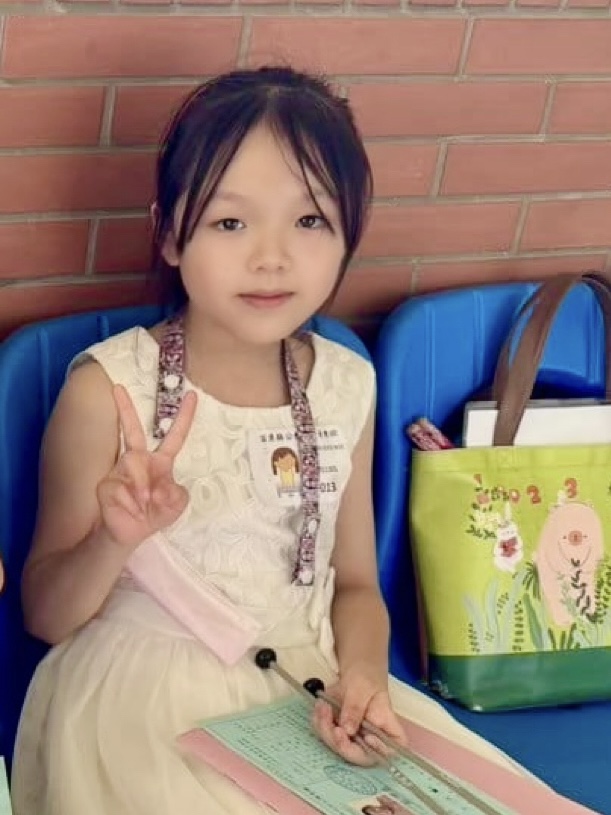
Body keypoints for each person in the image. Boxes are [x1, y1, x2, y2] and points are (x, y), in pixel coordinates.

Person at [11, 66, 528, 815]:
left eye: (310, 220)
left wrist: (363, 678)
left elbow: (355, 583)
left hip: (307, 688)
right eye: (231, 223)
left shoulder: (346, 384)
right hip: (140, 703)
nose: (272, 257)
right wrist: (113, 539)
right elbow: (44, 616)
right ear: (169, 233)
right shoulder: (108, 390)